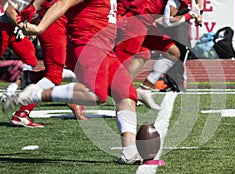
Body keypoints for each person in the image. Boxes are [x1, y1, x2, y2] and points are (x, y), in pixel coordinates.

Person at [4, 0, 142, 164]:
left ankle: (130, 152)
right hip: (87, 43)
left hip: (104, 47)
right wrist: (39, 27)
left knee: (126, 93)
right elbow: (62, 2)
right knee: (95, 95)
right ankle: (36, 94)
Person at [5, 0, 88, 128]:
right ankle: (21, 112)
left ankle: (31, 78)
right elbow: (10, 8)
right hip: (54, 23)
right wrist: (24, 26)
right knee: (54, 75)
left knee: (74, 67)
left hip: (64, 24)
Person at [115, 0, 203, 110]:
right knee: (124, 62)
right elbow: (167, 21)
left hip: (147, 23)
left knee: (172, 52)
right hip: (136, 21)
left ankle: (145, 89)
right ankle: (121, 95)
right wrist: (190, 15)